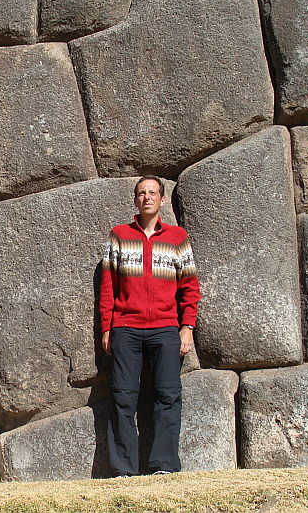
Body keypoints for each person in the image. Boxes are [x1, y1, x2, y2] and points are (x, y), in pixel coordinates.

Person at [99, 175, 200, 477]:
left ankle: (164, 466)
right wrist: (108, 328)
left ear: (162, 200)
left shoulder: (177, 238)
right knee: (122, 397)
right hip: (126, 328)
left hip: (166, 328)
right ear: (135, 201)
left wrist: (187, 327)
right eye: (141, 193)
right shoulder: (118, 235)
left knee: (168, 396)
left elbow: (190, 287)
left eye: (152, 193)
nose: (147, 198)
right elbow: (108, 287)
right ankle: (123, 470)